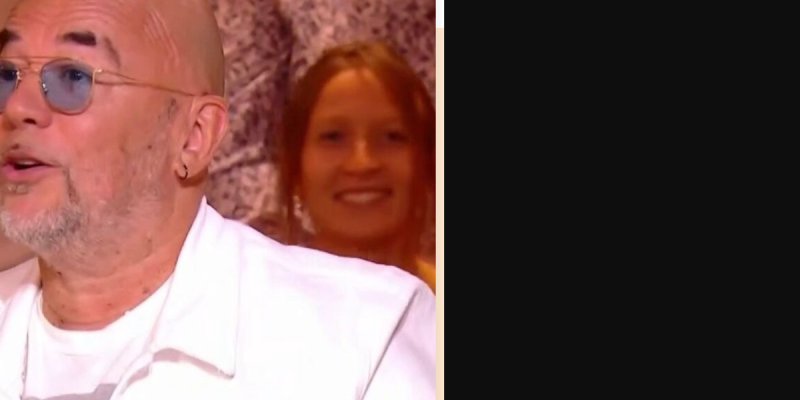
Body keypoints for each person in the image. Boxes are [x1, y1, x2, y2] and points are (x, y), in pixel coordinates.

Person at [0, 1, 435, 399]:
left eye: (73, 78)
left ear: (194, 137)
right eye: (6, 76)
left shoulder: (364, 338)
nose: (17, 108)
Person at [270, 41, 436, 292]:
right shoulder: (248, 307)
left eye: (392, 136)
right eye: (334, 137)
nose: (363, 163)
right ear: (295, 170)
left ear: (428, 161)